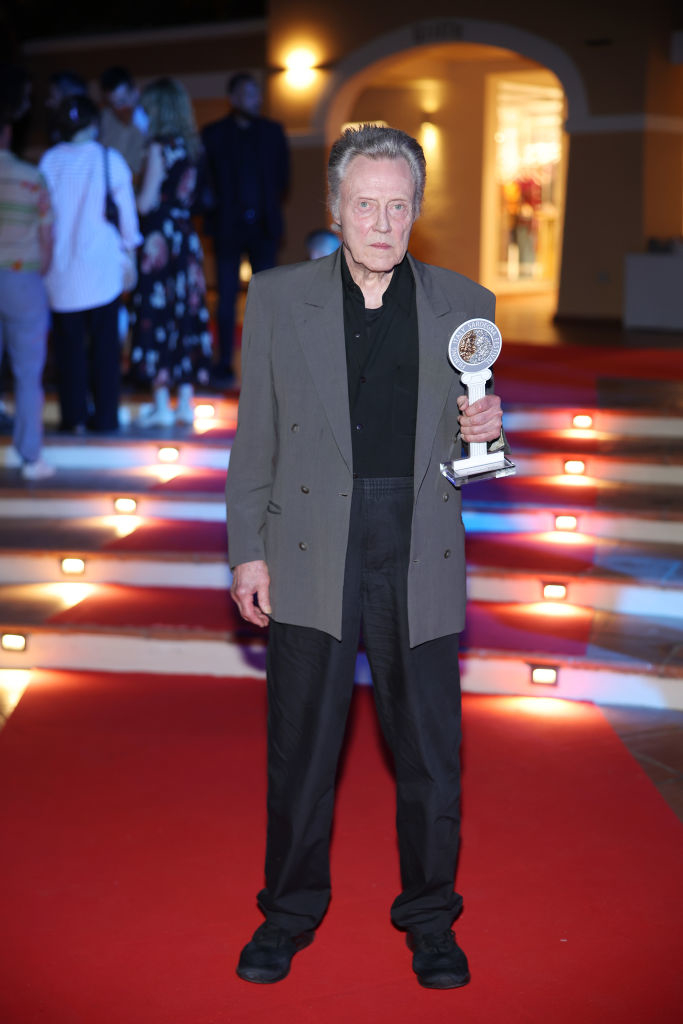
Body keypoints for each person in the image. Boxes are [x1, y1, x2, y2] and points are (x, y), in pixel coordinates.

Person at [226, 124, 507, 989]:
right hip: (309, 543)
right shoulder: (276, 299)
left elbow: (471, 460)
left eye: (397, 205)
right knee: (301, 750)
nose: (381, 222)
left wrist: (488, 437)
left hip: (414, 545)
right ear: (336, 211)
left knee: (430, 755)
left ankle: (430, 919)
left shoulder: (466, 303)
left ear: (415, 210)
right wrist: (247, 552)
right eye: (364, 205)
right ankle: (288, 910)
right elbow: (255, 437)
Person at [39, 95, 141, 433]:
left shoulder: (49, 162)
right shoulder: (108, 159)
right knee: (105, 351)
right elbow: (126, 215)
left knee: (69, 352)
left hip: (59, 272)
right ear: (93, 124)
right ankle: (106, 417)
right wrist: (131, 254)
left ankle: (74, 418)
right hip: (102, 270)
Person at [130, 77, 212, 427]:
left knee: (157, 315)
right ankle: (185, 404)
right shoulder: (191, 148)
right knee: (185, 315)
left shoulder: (157, 147)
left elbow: (147, 201)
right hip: (185, 237)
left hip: (160, 238)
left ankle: (162, 404)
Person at [201, 72, 289, 386]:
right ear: (235, 98)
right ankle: (223, 362)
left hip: (263, 227)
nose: (257, 100)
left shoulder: (272, 132)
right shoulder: (213, 135)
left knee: (267, 297)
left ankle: (268, 362)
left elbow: (283, 178)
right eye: (250, 95)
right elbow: (206, 181)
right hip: (227, 227)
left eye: (258, 94)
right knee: (225, 298)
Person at [0, 65, 54, 479]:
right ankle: (28, 456)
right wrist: (41, 273)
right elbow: (47, 237)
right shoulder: (31, 179)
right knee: (28, 375)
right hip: (23, 277)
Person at [99, 66, 146, 180]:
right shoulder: (105, 117)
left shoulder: (150, 118)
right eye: (113, 104)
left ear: (136, 93)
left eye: (123, 101)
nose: (118, 108)